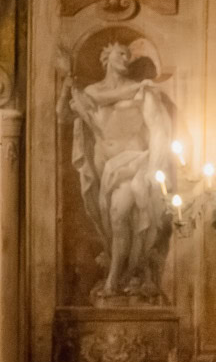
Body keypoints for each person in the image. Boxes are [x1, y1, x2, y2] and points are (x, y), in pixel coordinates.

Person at [65, 41, 179, 301]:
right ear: (105, 57)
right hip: (106, 171)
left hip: (135, 163)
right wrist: (66, 81)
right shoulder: (92, 92)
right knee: (112, 225)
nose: (125, 59)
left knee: (119, 215)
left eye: (128, 55)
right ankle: (132, 274)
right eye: (120, 53)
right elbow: (66, 113)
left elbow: (160, 130)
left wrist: (155, 167)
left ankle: (113, 281)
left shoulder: (143, 92)